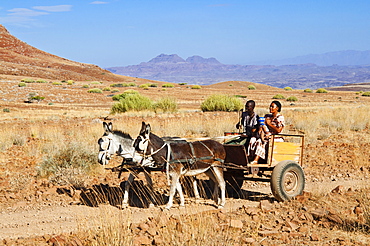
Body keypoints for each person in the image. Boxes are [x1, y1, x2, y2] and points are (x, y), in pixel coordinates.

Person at [235, 100, 265, 164]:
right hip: (245, 135)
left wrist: (248, 135)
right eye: (246, 107)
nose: (247, 108)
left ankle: (245, 158)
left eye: (248, 107)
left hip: (252, 136)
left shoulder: (256, 117)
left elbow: (255, 131)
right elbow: (240, 124)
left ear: (252, 107)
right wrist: (239, 124)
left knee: (240, 144)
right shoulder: (245, 115)